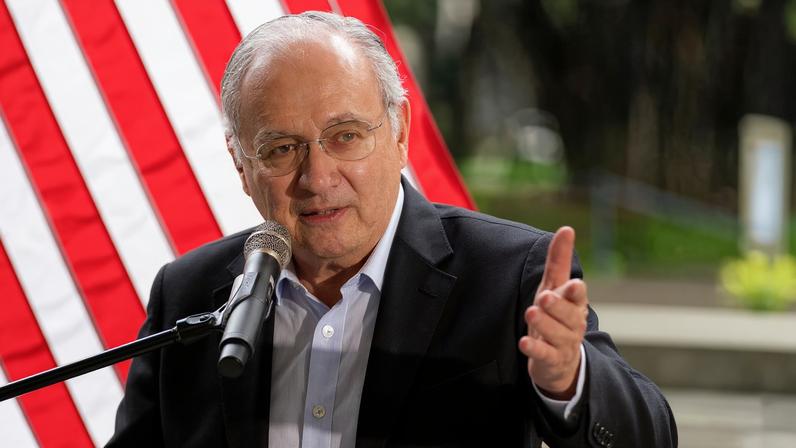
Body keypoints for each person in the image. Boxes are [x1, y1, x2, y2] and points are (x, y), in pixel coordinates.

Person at [108, 11, 677, 448]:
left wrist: (570, 380)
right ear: (240, 165)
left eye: (346, 136)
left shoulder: (508, 276)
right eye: (281, 149)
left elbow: (652, 436)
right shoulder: (187, 294)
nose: (317, 176)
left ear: (400, 133)